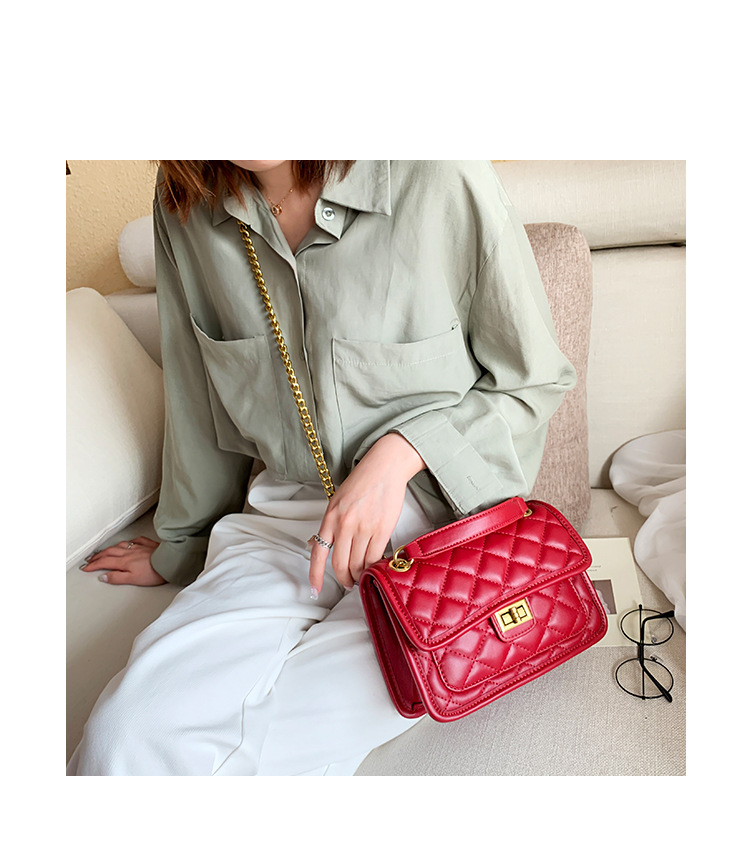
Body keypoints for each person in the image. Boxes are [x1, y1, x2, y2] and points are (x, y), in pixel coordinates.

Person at [67, 160, 576, 776]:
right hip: (287, 521)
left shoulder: (437, 174)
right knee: (122, 737)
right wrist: (183, 545)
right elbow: (196, 396)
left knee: (268, 749)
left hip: (446, 527)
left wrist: (398, 455)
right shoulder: (187, 201)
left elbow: (532, 382)